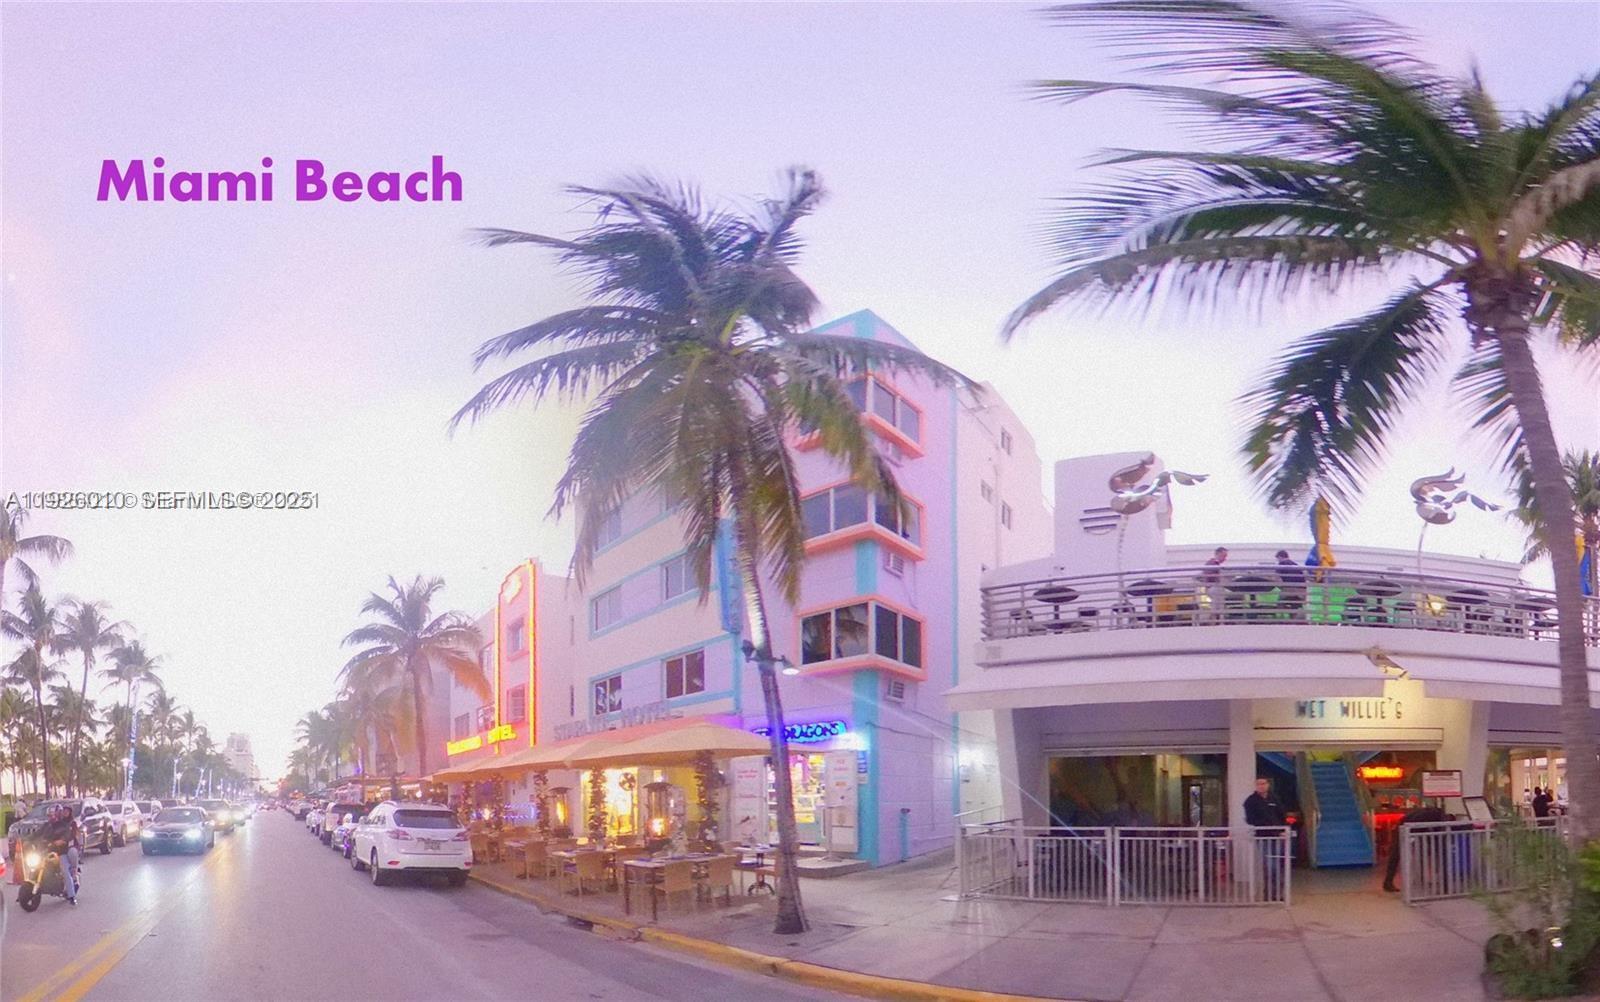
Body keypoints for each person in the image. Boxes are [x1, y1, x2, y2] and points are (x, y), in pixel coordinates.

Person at [1383, 803, 1446, 892]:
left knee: (1397, 854)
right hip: (1407, 828)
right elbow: (1433, 831)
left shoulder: (1433, 812)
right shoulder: (1437, 816)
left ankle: (1389, 881)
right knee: (1398, 854)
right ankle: (1388, 882)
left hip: (1404, 826)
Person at [1242, 778, 1288, 900]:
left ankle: (1278, 893)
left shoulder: (1275, 799)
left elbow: (1282, 815)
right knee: (1270, 865)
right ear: (1255, 786)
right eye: (1258, 784)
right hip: (1263, 837)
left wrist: (1282, 830)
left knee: (1278, 865)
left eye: (1263, 783)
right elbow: (1250, 819)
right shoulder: (1250, 801)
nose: (1261, 786)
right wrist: (1267, 825)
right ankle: (1269, 893)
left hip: (1277, 837)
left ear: (1268, 785)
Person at [39, 803, 80, 905]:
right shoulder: (49, 824)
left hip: (66, 850)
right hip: (53, 849)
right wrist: (27, 840)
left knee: (66, 869)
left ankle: (72, 895)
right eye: (50, 815)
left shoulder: (68, 824)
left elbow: (68, 835)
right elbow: (40, 834)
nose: (52, 817)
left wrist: (62, 840)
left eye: (54, 814)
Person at [1274, 549, 1306, 618]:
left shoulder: (1281, 564)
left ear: (1280, 557)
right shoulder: (1296, 565)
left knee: (1279, 603)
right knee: (1295, 604)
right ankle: (1293, 618)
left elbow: (1276, 578)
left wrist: (1281, 587)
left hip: (1289, 590)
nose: (1278, 560)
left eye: (1278, 559)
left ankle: (1282, 619)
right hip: (1301, 592)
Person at [1201, 547, 1228, 623]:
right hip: (1213, 587)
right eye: (1224, 556)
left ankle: (1215, 620)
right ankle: (1216, 620)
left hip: (1213, 587)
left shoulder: (1213, 563)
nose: (1225, 558)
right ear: (1218, 554)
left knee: (1217, 603)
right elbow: (1209, 575)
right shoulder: (1212, 563)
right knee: (1218, 603)